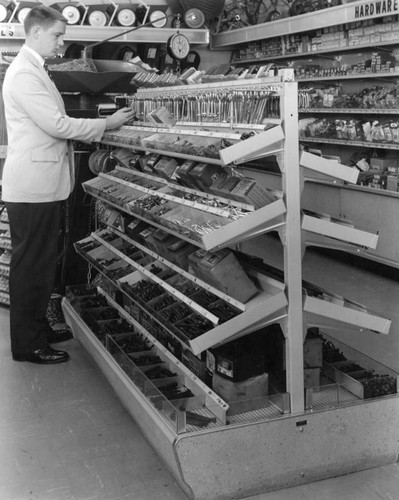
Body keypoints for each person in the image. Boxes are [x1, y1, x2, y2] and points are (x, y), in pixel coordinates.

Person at [2, 5, 135, 364]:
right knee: (31, 266)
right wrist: (106, 124)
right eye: (57, 35)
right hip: (33, 186)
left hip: (42, 184)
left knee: (41, 263)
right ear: (35, 33)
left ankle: (37, 331)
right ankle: (27, 345)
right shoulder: (24, 75)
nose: (62, 43)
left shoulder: (34, 69)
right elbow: (57, 126)